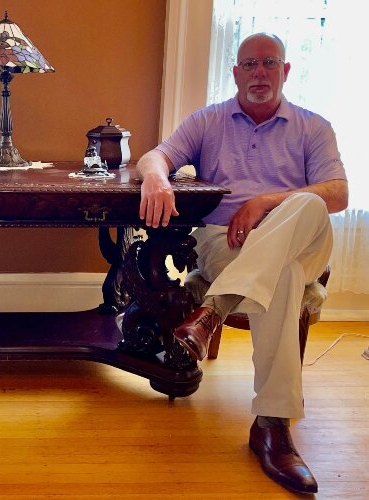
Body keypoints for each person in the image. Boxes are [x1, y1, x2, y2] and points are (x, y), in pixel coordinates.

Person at [137, 33, 348, 494]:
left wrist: (263, 204)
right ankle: (272, 426)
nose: (258, 73)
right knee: (283, 275)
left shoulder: (314, 127)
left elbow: (337, 194)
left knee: (308, 207)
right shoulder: (209, 121)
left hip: (303, 239)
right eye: (249, 64)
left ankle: (210, 311)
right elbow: (156, 155)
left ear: (286, 71)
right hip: (226, 241)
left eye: (269, 63)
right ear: (234, 72)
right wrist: (156, 178)